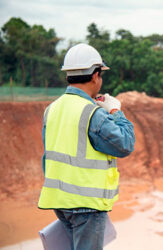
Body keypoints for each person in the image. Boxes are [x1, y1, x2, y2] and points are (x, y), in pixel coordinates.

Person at [37, 43, 135, 250]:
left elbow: (49, 156)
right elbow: (125, 144)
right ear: (94, 75)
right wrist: (115, 111)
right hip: (86, 205)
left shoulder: (52, 109)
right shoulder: (92, 113)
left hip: (61, 202)